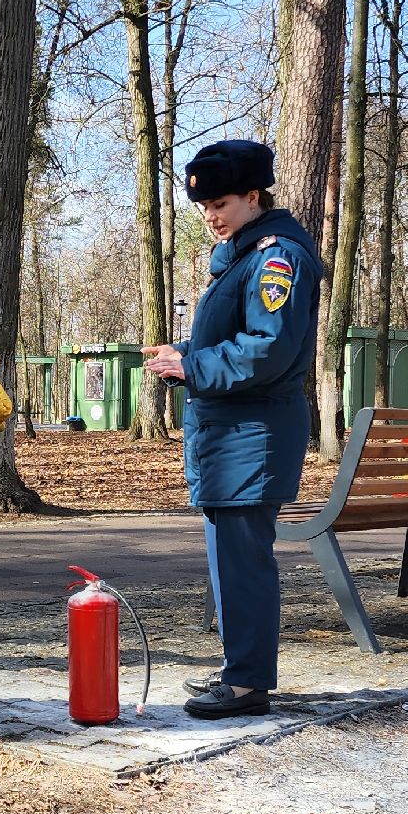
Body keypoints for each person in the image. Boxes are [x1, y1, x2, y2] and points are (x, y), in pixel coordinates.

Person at [141, 140, 321, 720]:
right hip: (228, 435)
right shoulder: (242, 255)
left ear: (253, 196)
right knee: (229, 559)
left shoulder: (276, 257)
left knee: (242, 562)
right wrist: (186, 351)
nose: (211, 216)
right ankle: (239, 669)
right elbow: (235, 338)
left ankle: (246, 683)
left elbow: (268, 350)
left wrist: (192, 366)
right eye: (203, 207)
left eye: (220, 203)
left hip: (252, 433)